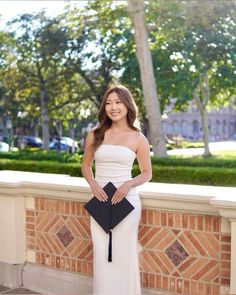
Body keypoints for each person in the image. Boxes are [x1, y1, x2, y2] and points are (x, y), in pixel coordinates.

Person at [81, 84, 152, 295]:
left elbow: (147, 173)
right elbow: (85, 165)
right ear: (104, 108)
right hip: (101, 202)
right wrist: (93, 184)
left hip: (127, 202)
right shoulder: (95, 134)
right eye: (109, 103)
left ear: (128, 106)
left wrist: (128, 184)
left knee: (124, 254)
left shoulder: (138, 138)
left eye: (118, 102)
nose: (113, 107)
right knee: (102, 254)